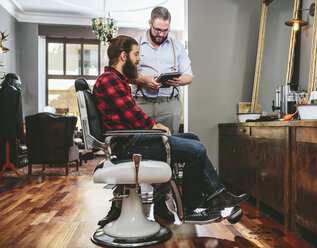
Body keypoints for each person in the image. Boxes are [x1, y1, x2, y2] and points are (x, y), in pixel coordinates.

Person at [93, 35, 248, 226]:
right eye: (136, 54)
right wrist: (154, 126)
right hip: (126, 145)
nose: (139, 58)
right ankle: (192, 208)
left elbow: (129, 115)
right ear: (124, 56)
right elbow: (131, 114)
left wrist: (152, 128)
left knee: (193, 138)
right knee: (196, 151)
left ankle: (217, 195)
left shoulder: (117, 79)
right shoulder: (110, 80)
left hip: (131, 139)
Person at [130, 6, 193, 134]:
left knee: (171, 145)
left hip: (170, 105)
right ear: (150, 23)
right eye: (158, 30)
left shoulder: (177, 46)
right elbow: (125, 76)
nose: (161, 34)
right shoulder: (134, 44)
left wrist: (178, 81)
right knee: (142, 145)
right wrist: (144, 80)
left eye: (165, 30)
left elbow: (189, 76)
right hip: (141, 104)